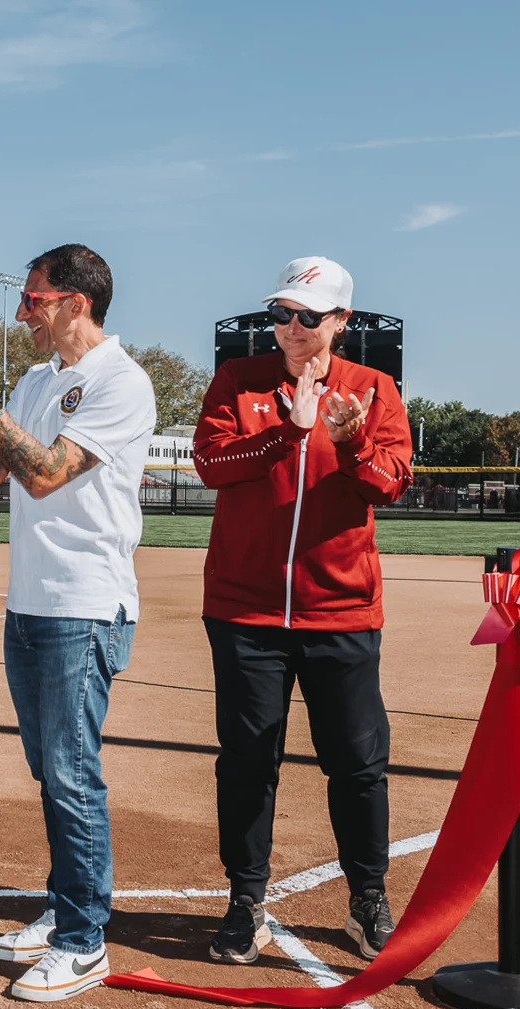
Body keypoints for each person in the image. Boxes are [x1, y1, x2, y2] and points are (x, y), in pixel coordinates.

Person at [0, 244, 156, 1002]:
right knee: (48, 769)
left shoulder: (119, 381)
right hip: (32, 599)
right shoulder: (33, 379)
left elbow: (49, 472)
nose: (22, 311)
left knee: (69, 771)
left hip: (84, 603)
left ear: (74, 303)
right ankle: (62, 907)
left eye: (33, 299)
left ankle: (84, 939)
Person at [191, 256, 413, 965]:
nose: (289, 328)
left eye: (306, 316)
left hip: (339, 612)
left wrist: (348, 439)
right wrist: (287, 430)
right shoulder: (238, 381)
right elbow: (211, 465)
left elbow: (390, 484)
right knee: (247, 760)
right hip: (244, 612)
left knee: (355, 763)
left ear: (339, 322)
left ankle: (366, 899)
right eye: (280, 314)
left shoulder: (373, 389)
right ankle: (244, 900)